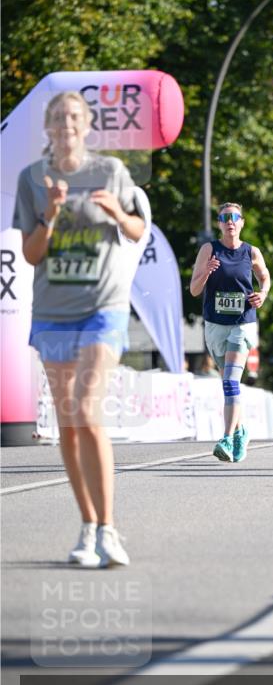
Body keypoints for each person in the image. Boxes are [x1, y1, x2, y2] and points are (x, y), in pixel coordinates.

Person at [13, 91, 147, 567]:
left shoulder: (110, 171)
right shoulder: (32, 179)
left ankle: (110, 530)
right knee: (69, 422)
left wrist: (116, 212)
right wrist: (50, 213)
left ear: (87, 125)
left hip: (102, 307)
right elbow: (31, 254)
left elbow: (137, 230)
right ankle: (88, 526)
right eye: (58, 117)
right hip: (53, 312)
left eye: (74, 116)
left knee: (87, 410)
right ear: (48, 128)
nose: (66, 124)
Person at [190, 202, 270, 463]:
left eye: (235, 216)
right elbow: (194, 290)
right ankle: (241, 431)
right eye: (225, 217)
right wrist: (206, 272)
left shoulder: (251, 251)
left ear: (242, 222)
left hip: (242, 324)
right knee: (229, 386)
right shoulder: (209, 250)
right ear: (219, 223)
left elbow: (265, 277)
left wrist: (263, 294)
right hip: (215, 325)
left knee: (231, 382)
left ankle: (225, 437)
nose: (230, 221)